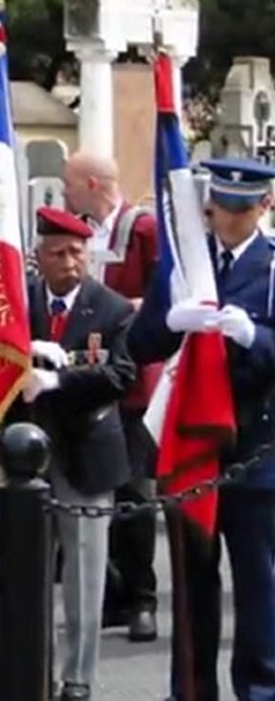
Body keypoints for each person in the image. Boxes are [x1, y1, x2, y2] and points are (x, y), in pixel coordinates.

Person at [130, 158, 275, 701]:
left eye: (242, 209)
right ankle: (191, 689)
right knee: (192, 584)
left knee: (260, 583)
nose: (228, 220)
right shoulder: (186, 263)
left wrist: (254, 337)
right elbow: (140, 344)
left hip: (254, 446)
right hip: (191, 445)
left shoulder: (272, 266)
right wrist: (170, 321)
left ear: (264, 206)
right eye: (221, 207)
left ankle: (261, 688)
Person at [18, 207, 136, 701]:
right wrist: (22, 352)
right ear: (39, 256)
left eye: (77, 252)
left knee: (85, 575)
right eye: (57, 253)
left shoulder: (111, 309)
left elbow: (121, 375)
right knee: (25, 571)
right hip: (28, 454)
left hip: (88, 451)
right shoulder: (20, 303)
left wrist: (59, 380)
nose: (69, 262)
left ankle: (78, 675)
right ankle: (28, 667)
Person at [63, 151, 161, 642]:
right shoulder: (73, 235)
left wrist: (125, 307)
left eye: (69, 184)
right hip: (83, 375)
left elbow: (169, 293)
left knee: (134, 494)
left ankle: (141, 597)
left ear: (93, 184)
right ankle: (108, 595)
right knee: (88, 487)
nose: (64, 192)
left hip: (133, 379)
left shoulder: (142, 229)